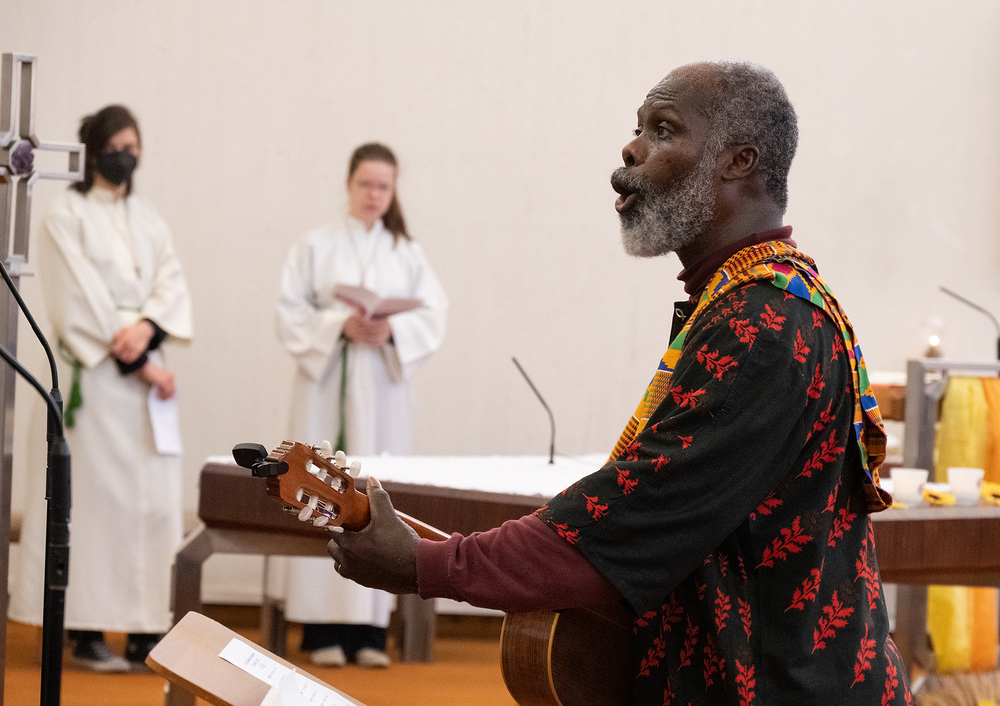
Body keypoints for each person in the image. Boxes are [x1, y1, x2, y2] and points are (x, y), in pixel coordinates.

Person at [326, 62, 911, 704]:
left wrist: (424, 565)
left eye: (663, 129)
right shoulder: (755, 299)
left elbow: (630, 521)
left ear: (738, 161)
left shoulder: (762, 324)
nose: (631, 149)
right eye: (637, 129)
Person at [9, 105, 193, 672]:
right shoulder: (66, 215)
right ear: (92, 153)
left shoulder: (148, 218)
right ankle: (85, 628)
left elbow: (170, 285)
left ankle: (144, 628)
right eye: (115, 148)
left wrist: (148, 330)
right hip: (97, 382)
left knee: (153, 508)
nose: (125, 157)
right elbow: (79, 299)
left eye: (133, 147)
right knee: (91, 507)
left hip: (146, 382)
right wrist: (137, 357)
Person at [276, 142, 448, 668]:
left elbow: (433, 315)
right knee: (322, 490)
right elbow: (288, 312)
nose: (374, 195)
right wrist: (340, 325)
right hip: (327, 384)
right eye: (365, 184)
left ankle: (370, 630)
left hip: (383, 391)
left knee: (376, 495)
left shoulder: (406, 252)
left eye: (383, 187)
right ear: (349, 185)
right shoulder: (316, 244)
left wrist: (391, 330)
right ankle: (320, 628)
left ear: (393, 192)